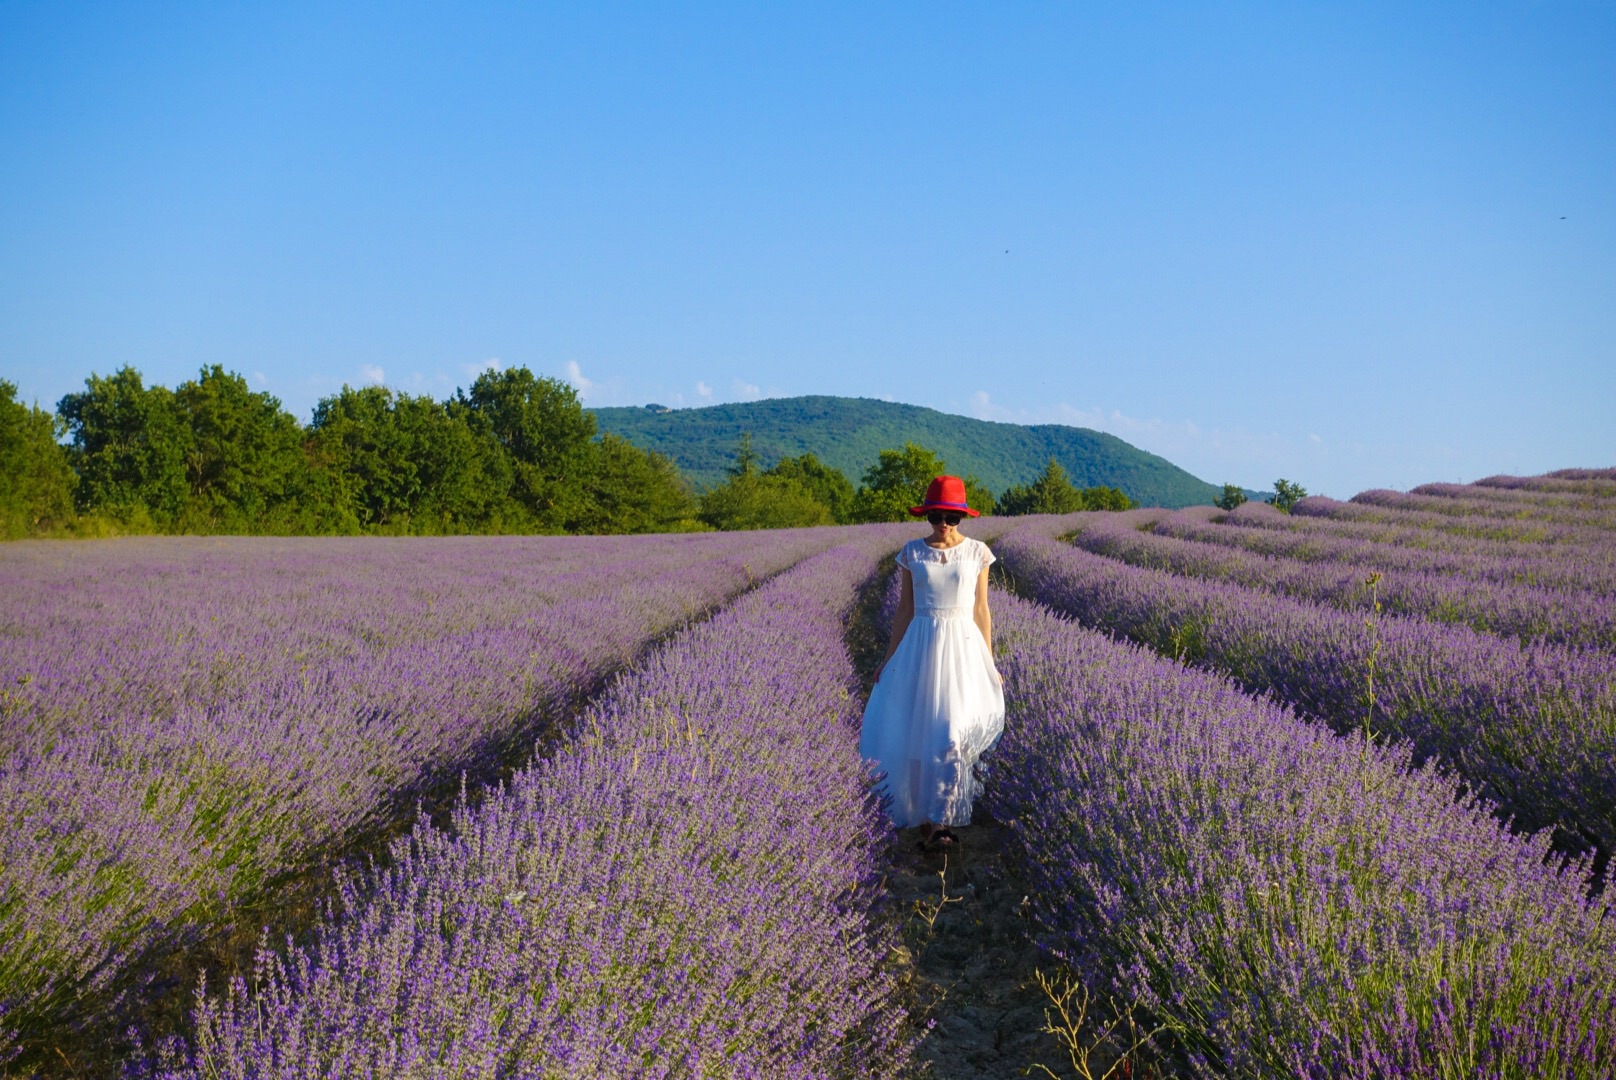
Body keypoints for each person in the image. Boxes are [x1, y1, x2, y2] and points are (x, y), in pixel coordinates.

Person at [860, 475, 1005, 850]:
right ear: (927, 515)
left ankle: (943, 815)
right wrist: (887, 659)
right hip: (920, 646)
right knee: (918, 730)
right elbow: (904, 610)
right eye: (936, 515)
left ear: (962, 517)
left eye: (951, 517)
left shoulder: (978, 553)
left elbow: (981, 610)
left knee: (952, 730)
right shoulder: (911, 552)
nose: (943, 523)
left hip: (962, 647)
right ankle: (927, 819)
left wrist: (989, 661)